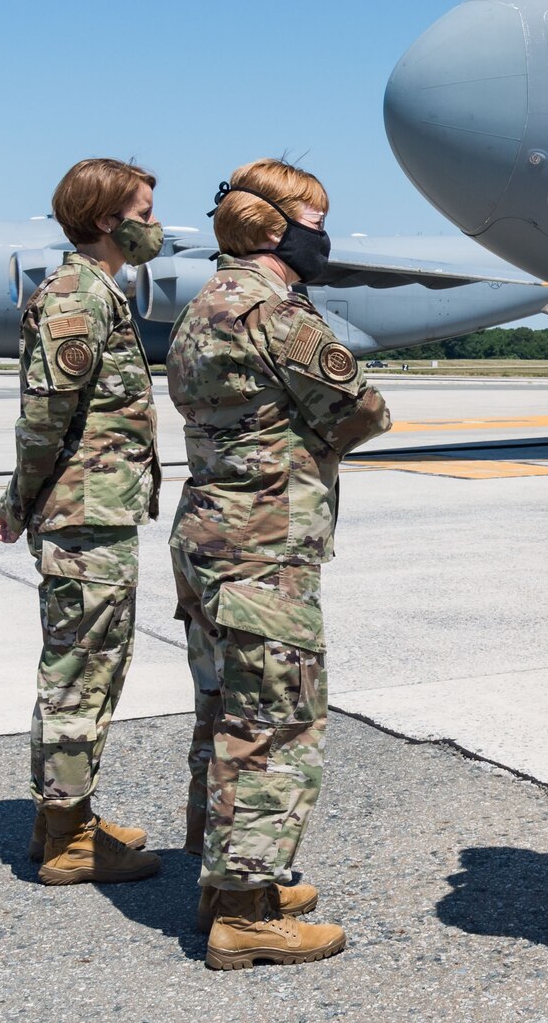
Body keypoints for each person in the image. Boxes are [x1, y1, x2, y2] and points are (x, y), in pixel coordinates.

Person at [168, 159, 391, 968]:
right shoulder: (278, 313)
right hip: (263, 546)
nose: (323, 234)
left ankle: (226, 876)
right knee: (276, 721)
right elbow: (364, 407)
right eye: (315, 218)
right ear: (273, 228)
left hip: (208, 532)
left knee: (226, 707)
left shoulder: (203, 305)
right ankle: (245, 912)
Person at [0, 158, 165, 887]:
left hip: (99, 508)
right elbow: (43, 417)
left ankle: (64, 816)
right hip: (83, 513)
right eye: (145, 212)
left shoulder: (99, 291)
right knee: (79, 672)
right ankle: (67, 840)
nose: (155, 226)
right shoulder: (77, 296)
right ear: (105, 221)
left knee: (91, 665)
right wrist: (15, 503)